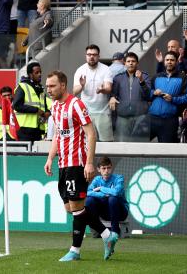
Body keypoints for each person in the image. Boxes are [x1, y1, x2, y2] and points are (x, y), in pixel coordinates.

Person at [43, 70, 118, 262]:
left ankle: (75, 251)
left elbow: (91, 134)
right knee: (72, 209)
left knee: (77, 208)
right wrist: (50, 158)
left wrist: (90, 163)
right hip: (63, 163)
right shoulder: (55, 107)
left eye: (52, 86)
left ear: (63, 85)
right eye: (47, 86)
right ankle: (108, 235)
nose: (48, 89)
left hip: (77, 163)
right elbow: (58, 135)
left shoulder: (76, 105)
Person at [85, 156, 129, 249]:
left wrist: (101, 189)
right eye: (103, 168)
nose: (106, 171)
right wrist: (102, 195)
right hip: (105, 213)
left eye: (108, 168)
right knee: (90, 200)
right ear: (98, 169)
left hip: (121, 211)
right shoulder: (97, 180)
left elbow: (116, 192)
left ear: (111, 167)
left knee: (113, 198)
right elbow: (88, 193)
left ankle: (115, 232)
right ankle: (95, 229)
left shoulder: (118, 178)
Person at [148, 51, 187, 143]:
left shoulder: (183, 77)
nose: (169, 62)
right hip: (152, 118)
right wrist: (154, 92)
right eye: (167, 60)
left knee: (166, 151)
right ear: (164, 62)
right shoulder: (156, 77)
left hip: (170, 121)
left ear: (176, 62)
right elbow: (147, 93)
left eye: (172, 60)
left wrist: (173, 99)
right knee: (141, 145)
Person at [73, 45, 114, 142]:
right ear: (86, 56)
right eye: (89, 54)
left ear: (98, 56)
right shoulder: (80, 70)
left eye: (94, 54)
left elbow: (108, 88)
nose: (91, 57)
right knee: (88, 143)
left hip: (103, 112)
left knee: (106, 143)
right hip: (86, 113)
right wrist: (82, 85)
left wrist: (102, 90)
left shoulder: (106, 69)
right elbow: (74, 91)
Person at [110, 52, 151, 142]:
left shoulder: (145, 76)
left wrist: (141, 80)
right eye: (128, 61)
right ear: (124, 63)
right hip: (122, 117)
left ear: (137, 63)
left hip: (140, 117)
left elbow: (148, 95)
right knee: (122, 145)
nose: (131, 63)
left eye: (133, 61)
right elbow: (113, 93)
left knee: (140, 145)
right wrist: (112, 97)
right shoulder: (118, 78)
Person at [14, 62, 49, 142]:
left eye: (40, 72)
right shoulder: (23, 86)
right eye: (36, 73)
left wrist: (47, 112)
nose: (40, 74)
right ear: (30, 74)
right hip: (24, 130)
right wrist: (36, 110)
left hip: (38, 129)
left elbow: (44, 106)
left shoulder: (41, 89)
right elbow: (17, 106)